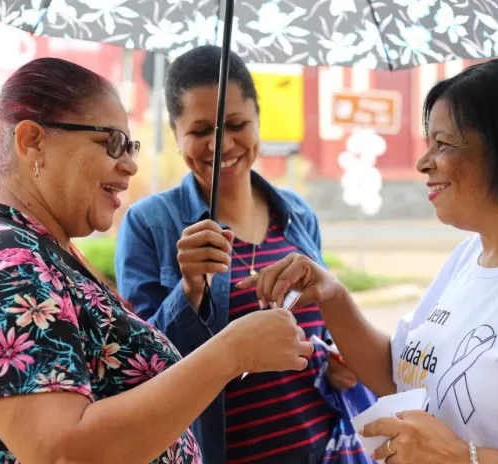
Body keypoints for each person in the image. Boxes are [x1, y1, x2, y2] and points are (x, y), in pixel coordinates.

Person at [238, 58, 498, 464]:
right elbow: (399, 376)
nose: (424, 162)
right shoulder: (470, 257)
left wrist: (465, 457)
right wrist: (332, 295)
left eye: (443, 144)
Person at [0, 57, 314, 464]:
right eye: (111, 142)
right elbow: (62, 452)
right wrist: (230, 352)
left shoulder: (35, 250)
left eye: (130, 146)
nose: (130, 165)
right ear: (32, 142)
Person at [115, 45, 361, 463]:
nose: (221, 143)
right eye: (199, 131)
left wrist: (338, 360)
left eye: (236, 124)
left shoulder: (297, 213)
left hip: (322, 448)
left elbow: (320, 329)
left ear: (258, 123)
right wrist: (190, 289)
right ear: (175, 135)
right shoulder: (150, 224)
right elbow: (140, 370)